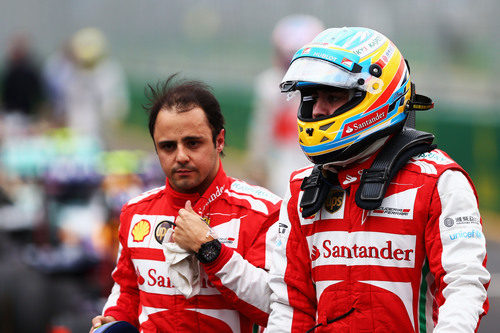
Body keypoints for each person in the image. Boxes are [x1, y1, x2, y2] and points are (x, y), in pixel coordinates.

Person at [266, 27, 489, 332]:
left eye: (333, 96)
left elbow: (464, 290)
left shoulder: (439, 182)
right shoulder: (301, 189)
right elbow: (289, 306)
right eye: (313, 97)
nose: (317, 110)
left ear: (376, 95)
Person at [90, 75, 281, 332]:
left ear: (219, 140)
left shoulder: (263, 211)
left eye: (193, 143)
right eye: (168, 146)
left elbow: (274, 307)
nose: (180, 156)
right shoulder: (135, 212)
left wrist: (211, 251)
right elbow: (127, 292)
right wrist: (112, 320)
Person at [246, 15, 324, 196]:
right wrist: (257, 163)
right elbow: (262, 130)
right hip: (281, 161)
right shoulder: (269, 84)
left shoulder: (327, 87)